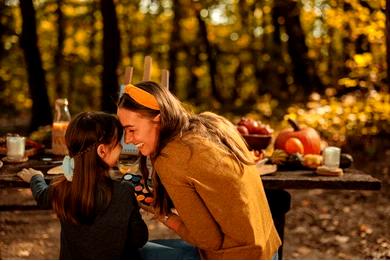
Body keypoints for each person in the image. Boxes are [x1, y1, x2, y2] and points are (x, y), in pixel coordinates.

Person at [117, 81, 282, 259]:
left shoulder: (170, 159)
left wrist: (163, 214)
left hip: (237, 256)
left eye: (131, 129)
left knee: (127, 254)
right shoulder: (213, 124)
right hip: (269, 252)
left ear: (158, 117)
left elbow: (209, 241)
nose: (127, 139)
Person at [17, 111, 148, 259]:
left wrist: (36, 177)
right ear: (102, 151)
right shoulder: (125, 191)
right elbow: (139, 239)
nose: (121, 148)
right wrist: (135, 209)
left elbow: (42, 196)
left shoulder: (61, 188)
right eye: (118, 143)